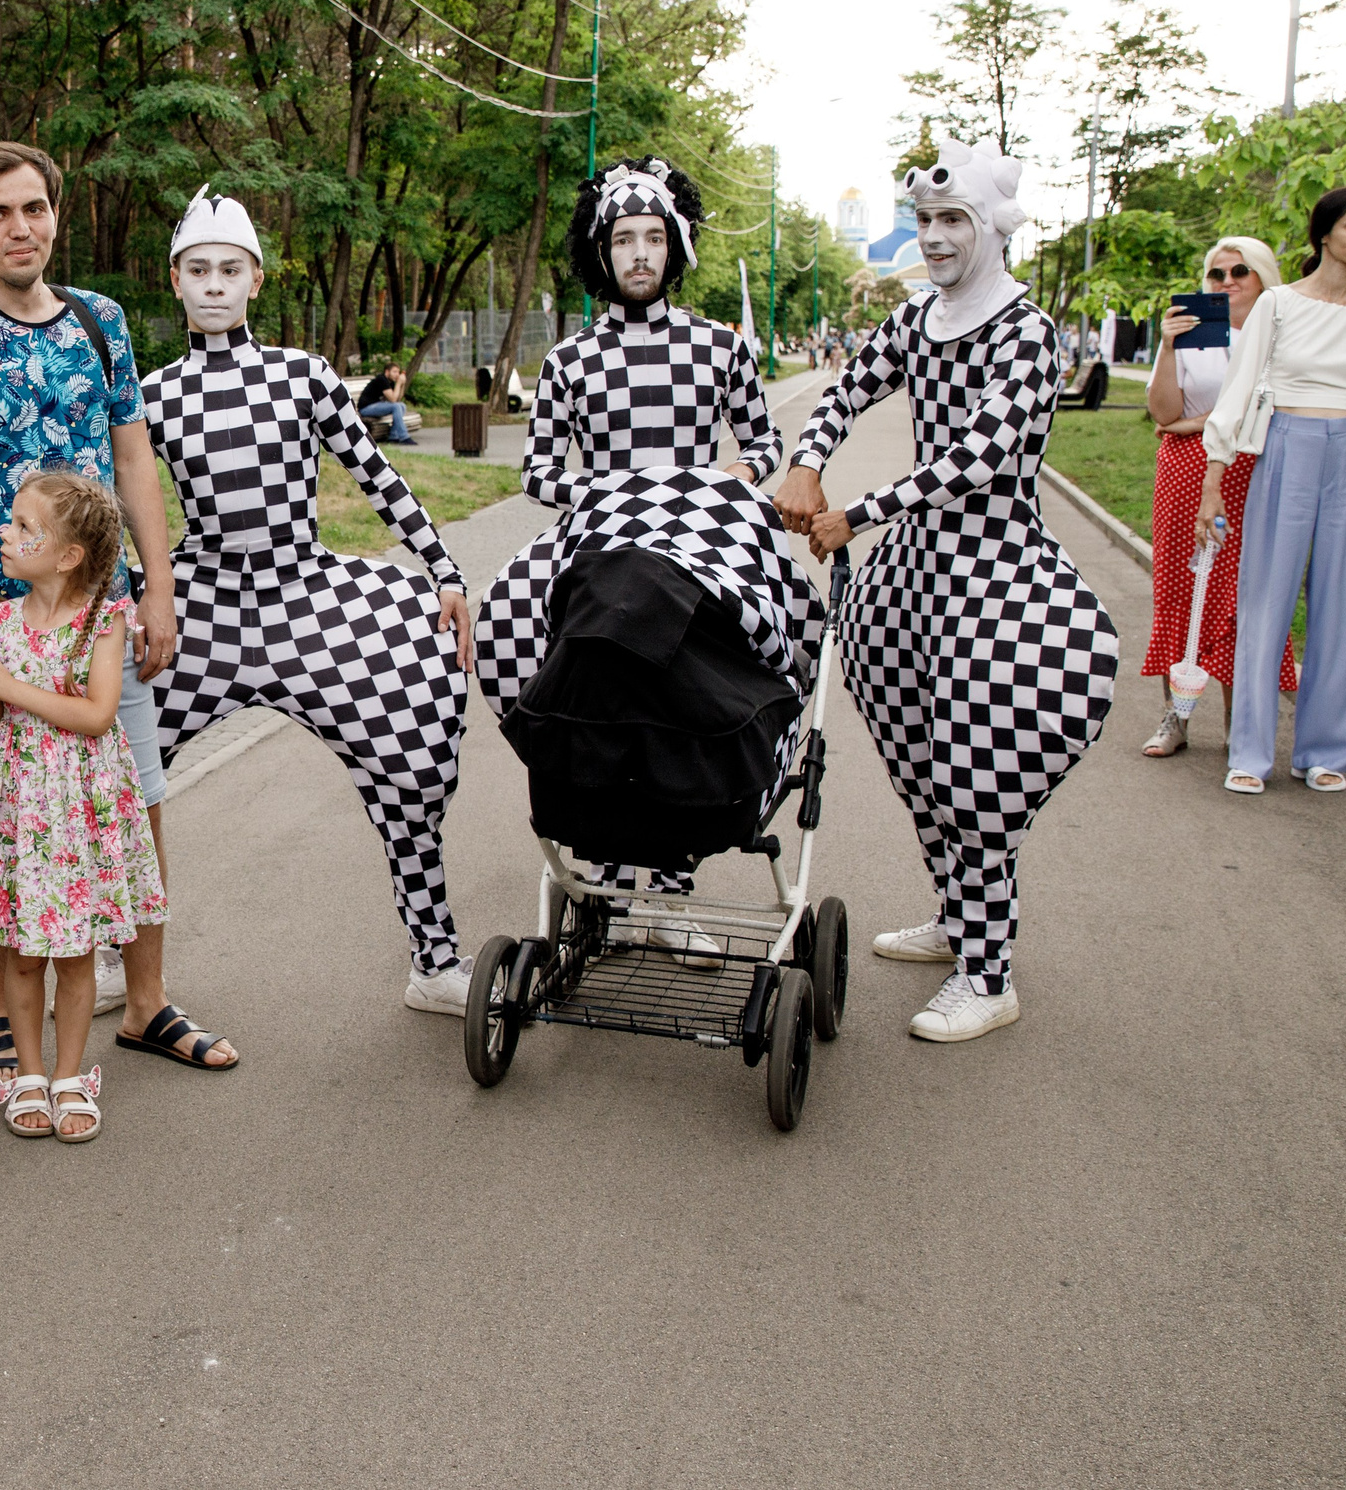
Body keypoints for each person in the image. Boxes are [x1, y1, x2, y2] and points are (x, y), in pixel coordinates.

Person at [0, 140, 238, 1084]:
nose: (21, 228)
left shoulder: (101, 321)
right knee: (3, 815)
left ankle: (145, 1003)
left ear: (57, 214)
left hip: (101, 617)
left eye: (35, 209)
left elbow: (134, 461)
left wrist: (159, 588)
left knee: (133, 800)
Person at [774, 137, 1118, 1044]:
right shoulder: (919, 318)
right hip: (911, 580)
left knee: (977, 770)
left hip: (995, 573)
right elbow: (849, 387)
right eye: (924, 221)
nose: (933, 238)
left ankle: (990, 974)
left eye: (952, 220)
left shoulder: (1028, 333)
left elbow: (980, 458)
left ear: (992, 227)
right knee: (918, 759)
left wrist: (859, 509)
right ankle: (957, 919)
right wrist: (807, 459)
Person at [143, 187, 477, 1013]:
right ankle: (122, 962)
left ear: (256, 281)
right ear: (175, 281)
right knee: (125, 773)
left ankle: (434, 960)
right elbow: (119, 506)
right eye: (198, 270)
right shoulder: (151, 395)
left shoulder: (304, 376)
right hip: (202, 609)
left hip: (309, 601)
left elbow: (379, 477)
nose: (214, 284)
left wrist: (445, 571)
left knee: (403, 765)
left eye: (230, 269)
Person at [475, 156, 781, 906]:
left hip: (700, 546)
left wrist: (726, 482)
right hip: (601, 546)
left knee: (704, 676)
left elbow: (766, 447)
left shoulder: (721, 347)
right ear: (600, 251)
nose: (638, 253)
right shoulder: (570, 360)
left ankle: (671, 896)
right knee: (507, 622)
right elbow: (540, 474)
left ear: (674, 245)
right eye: (623, 240)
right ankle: (607, 879)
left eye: (652, 237)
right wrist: (619, 491)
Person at [0, 472, 166, 1142]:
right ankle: (32, 1075)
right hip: (21, 812)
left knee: (74, 957)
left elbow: (98, 715)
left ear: (67, 555)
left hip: (78, 812)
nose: (2, 533)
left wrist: (13, 686)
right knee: (20, 953)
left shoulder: (103, 620)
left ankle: (71, 1077)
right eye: (10, 521)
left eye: (20, 526)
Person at [1200, 186, 1346, 796]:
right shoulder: (1279, 304)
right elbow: (1239, 390)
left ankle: (1324, 751)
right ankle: (1248, 751)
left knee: (1340, 607)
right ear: (1325, 233)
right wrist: (1214, 484)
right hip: (1287, 446)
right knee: (1265, 601)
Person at [1141, 238, 1298, 757]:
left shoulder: (1285, 336)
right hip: (1186, 473)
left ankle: (1240, 725)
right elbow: (1164, 416)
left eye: (1241, 272)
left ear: (1263, 279)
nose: (1227, 282)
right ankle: (1176, 719)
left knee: (1243, 596)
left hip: (1257, 471)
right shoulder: (1193, 336)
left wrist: (1199, 422)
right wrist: (1167, 345)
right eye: (1216, 274)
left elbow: (1282, 408)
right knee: (1180, 587)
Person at [358, 361, 418, 443]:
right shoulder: (381, 379)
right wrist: (398, 383)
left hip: (377, 406)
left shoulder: (390, 382)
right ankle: (404, 437)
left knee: (402, 405)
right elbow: (393, 400)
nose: (397, 374)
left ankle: (393, 436)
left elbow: (397, 399)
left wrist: (402, 384)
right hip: (366, 408)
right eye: (394, 372)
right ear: (387, 371)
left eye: (398, 372)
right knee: (396, 406)